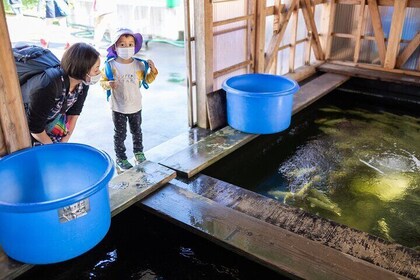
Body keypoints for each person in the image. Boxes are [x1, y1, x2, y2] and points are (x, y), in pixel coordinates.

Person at [100, 28, 158, 172]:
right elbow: (102, 82)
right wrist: (108, 84)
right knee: (120, 134)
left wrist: (153, 70)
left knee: (137, 131)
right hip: (118, 107)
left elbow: (147, 80)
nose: (127, 48)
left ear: (135, 46)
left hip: (136, 105)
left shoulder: (139, 64)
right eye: (123, 45)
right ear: (115, 47)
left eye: (130, 44)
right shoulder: (110, 66)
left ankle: (138, 153)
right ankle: (121, 158)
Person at [24, 43, 101, 145]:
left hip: (49, 125)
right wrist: (54, 149)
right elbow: (35, 128)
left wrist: (64, 142)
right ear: (82, 69)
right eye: (96, 69)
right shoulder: (49, 85)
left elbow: (74, 113)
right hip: (27, 126)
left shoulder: (83, 83)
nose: (99, 73)